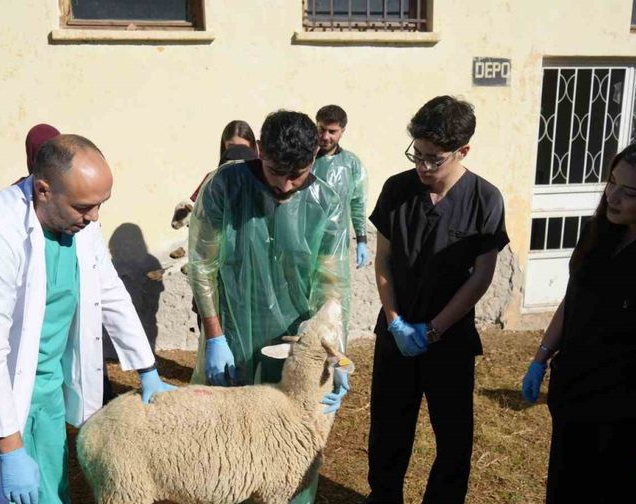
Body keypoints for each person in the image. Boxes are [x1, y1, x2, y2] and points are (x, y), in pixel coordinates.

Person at [0, 134, 176, 504]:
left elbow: (108, 291)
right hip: (8, 389)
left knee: (53, 485)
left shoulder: (76, 221)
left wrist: (148, 371)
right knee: (22, 492)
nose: (95, 217)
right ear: (44, 189)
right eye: (85, 207)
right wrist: (11, 450)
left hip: (48, 385)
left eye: (101, 205)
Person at [520, 136, 636, 503]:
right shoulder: (600, 232)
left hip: (631, 412)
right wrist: (541, 357)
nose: (613, 198)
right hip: (576, 396)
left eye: (630, 193)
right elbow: (573, 300)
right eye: (612, 183)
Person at [187, 110, 352, 504]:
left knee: (289, 445)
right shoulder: (225, 185)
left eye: (299, 173)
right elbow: (202, 263)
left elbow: (333, 287)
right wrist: (214, 336)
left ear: (315, 156)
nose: (287, 183)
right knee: (223, 445)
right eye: (278, 171)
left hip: (295, 345)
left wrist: (336, 353)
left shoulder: (325, 201)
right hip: (232, 335)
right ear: (259, 150)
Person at [365, 96, 509, 504]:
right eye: (418, 155)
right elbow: (384, 260)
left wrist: (434, 329)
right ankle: (384, 496)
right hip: (397, 334)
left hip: (449, 339)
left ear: (463, 151)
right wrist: (394, 320)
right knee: (389, 429)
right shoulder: (398, 189)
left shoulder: (485, 199)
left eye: (434, 159)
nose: (422, 167)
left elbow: (481, 276)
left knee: (453, 436)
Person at [313, 105, 370, 268]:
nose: (325, 136)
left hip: (335, 248)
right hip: (304, 245)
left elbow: (358, 203)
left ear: (342, 131)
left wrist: (361, 240)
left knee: (331, 292)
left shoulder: (351, 165)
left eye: (332, 131)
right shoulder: (304, 160)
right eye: (321, 129)